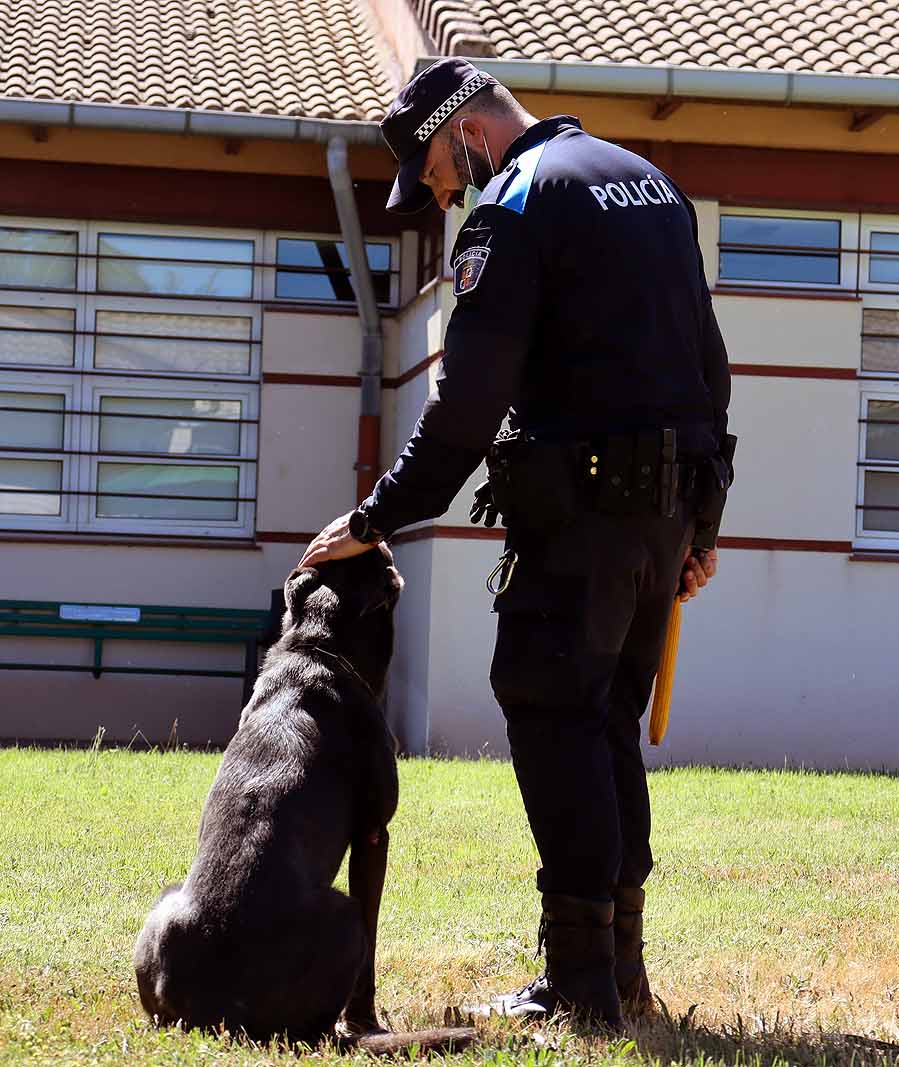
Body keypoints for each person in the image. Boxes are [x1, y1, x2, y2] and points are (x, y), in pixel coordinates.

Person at [298, 58, 733, 1027]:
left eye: (444, 182)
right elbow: (710, 365)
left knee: (551, 706)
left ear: (468, 135)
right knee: (606, 719)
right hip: (661, 511)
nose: (451, 201)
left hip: (578, 513)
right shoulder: (650, 183)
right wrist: (697, 528)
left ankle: (581, 987)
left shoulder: (516, 203)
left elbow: (468, 402)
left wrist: (374, 515)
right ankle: (619, 969)